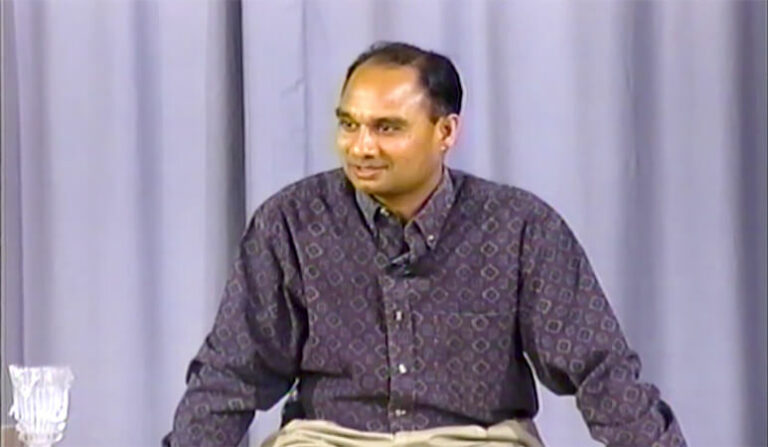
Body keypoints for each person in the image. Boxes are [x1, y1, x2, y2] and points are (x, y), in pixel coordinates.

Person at [164, 42, 686, 447]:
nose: (360, 147)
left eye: (387, 128)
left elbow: (600, 370)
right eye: (349, 125)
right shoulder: (291, 222)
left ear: (446, 132)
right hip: (329, 438)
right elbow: (230, 373)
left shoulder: (521, 227)